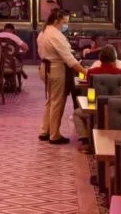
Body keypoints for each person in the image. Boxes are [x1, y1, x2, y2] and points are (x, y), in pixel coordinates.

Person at [36, 8, 86, 144]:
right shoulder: (56, 35)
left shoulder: (44, 32)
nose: (66, 26)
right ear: (57, 21)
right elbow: (69, 60)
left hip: (45, 67)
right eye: (65, 22)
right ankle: (54, 135)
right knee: (58, 101)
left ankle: (45, 130)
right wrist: (85, 72)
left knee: (51, 100)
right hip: (56, 69)